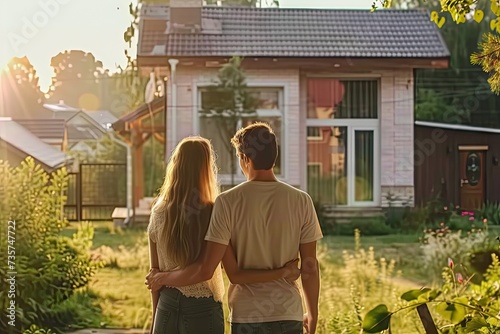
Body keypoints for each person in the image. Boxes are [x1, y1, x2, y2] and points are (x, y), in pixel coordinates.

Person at [146, 135, 300, 334]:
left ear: (175, 166)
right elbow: (222, 270)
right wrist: (283, 272)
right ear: (206, 169)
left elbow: (154, 275)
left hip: (165, 306)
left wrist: (155, 317)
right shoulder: (213, 211)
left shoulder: (158, 212)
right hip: (202, 308)